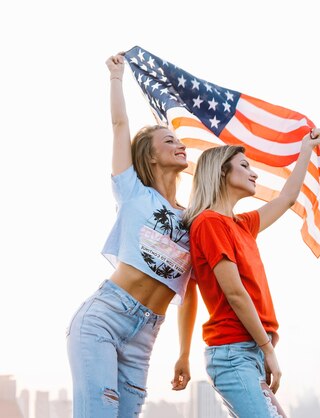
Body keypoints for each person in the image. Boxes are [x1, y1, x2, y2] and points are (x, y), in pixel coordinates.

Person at [66, 52, 194, 418]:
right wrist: (116, 77)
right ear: (151, 157)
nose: (179, 145)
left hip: (144, 339)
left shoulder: (194, 219)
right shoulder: (133, 192)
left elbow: (190, 291)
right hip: (104, 319)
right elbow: (120, 125)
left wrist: (184, 353)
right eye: (169, 141)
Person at [171, 128, 320, 417]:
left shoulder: (242, 225)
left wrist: (306, 149)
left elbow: (287, 199)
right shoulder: (209, 223)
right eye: (244, 166)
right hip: (233, 354)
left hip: (248, 352)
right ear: (222, 173)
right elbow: (235, 293)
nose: (254, 174)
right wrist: (268, 350)